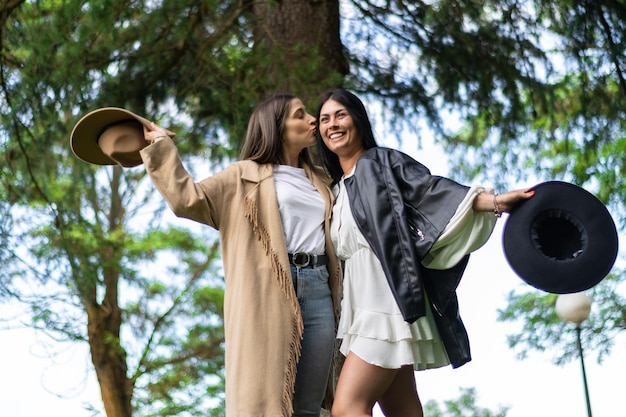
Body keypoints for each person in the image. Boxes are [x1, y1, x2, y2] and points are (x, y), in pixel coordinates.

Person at [314, 88, 535, 417]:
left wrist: (496, 201)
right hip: (360, 305)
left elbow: (431, 191)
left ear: (358, 119)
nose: (333, 124)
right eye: (324, 119)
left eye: (341, 114)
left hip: (386, 302)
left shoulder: (379, 162)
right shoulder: (336, 188)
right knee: (401, 409)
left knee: (347, 408)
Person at [139, 95, 342, 417]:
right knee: (265, 400)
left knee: (310, 403)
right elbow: (186, 199)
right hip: (268, 289)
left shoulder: (324, 180)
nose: (312, 120)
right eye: (300, 115)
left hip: (319, 288)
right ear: (276, 126)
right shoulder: (241, 176)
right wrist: (162, 145)